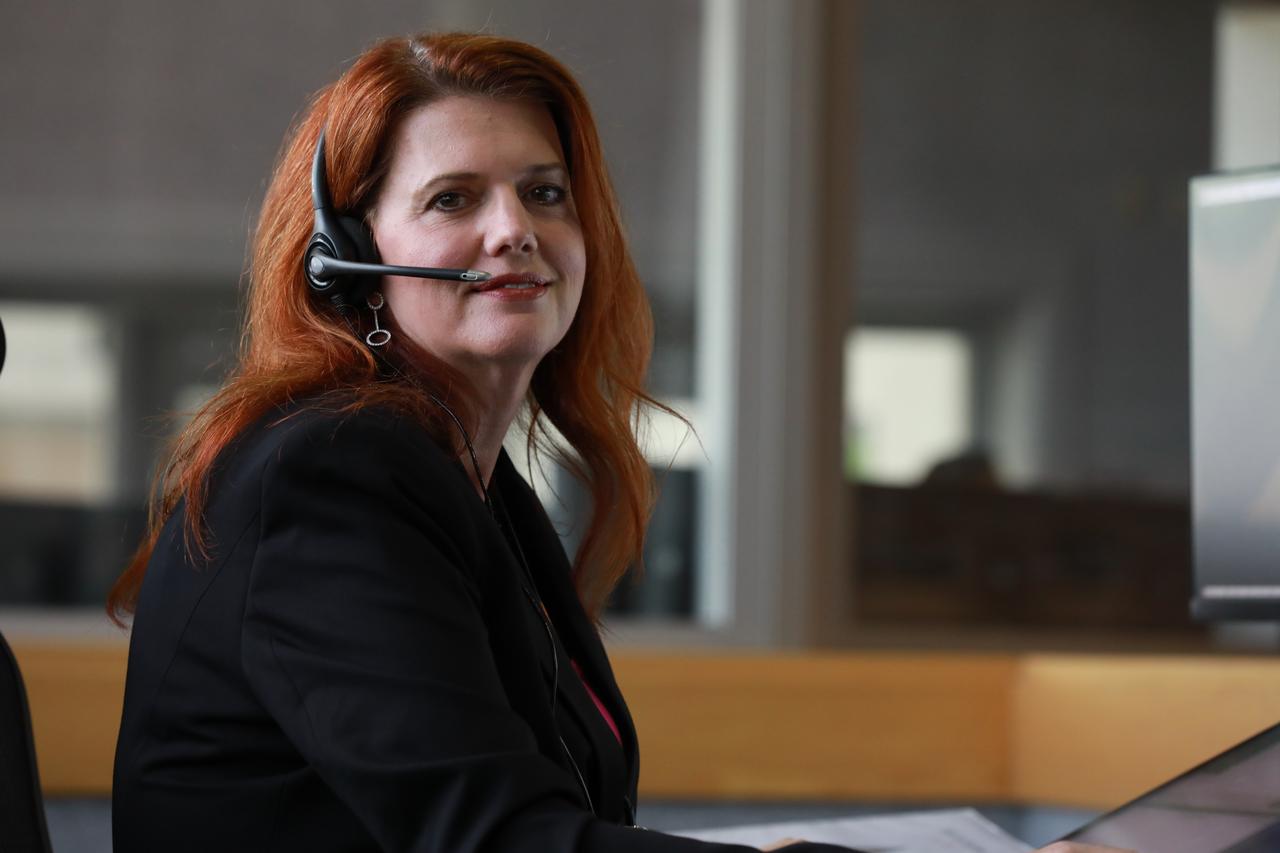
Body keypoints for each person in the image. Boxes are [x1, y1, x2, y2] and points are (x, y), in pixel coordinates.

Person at [107, 32, 1130, 853]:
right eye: (452, 197)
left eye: (543, 192)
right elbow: (495, 836)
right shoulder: (332, 468)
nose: (513, 228)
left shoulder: (465, 475)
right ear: (348, 260)